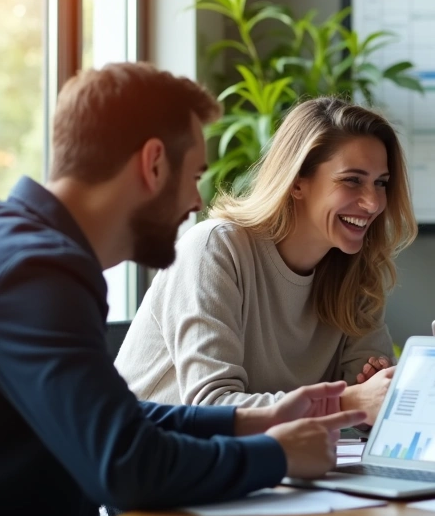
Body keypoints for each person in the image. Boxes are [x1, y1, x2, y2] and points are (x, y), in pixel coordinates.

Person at [0, 63, 366, 516]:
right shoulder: (32, 274)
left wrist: (255, 422)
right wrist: (277, 456)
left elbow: (113, 416)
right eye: (194, 176)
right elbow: (125, 465)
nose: (197, 202)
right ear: (153, 163)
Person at [115, 97, 416, 425]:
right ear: (298, 181)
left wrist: (378, 398)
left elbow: (364, 408)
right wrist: (346, 402)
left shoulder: (356, 275)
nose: (372, 203)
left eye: (381, 183)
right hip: (155, 465)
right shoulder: (215, 249)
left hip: (262, 466)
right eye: (352, 180)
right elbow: (212, 407)